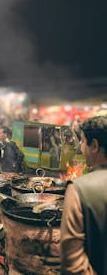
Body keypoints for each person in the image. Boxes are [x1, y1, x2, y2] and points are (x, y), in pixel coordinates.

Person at [60, 116, 107, 275]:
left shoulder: (79, 189)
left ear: (94, 145)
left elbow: (73, 265)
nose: (81, 147)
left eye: (82, 141)